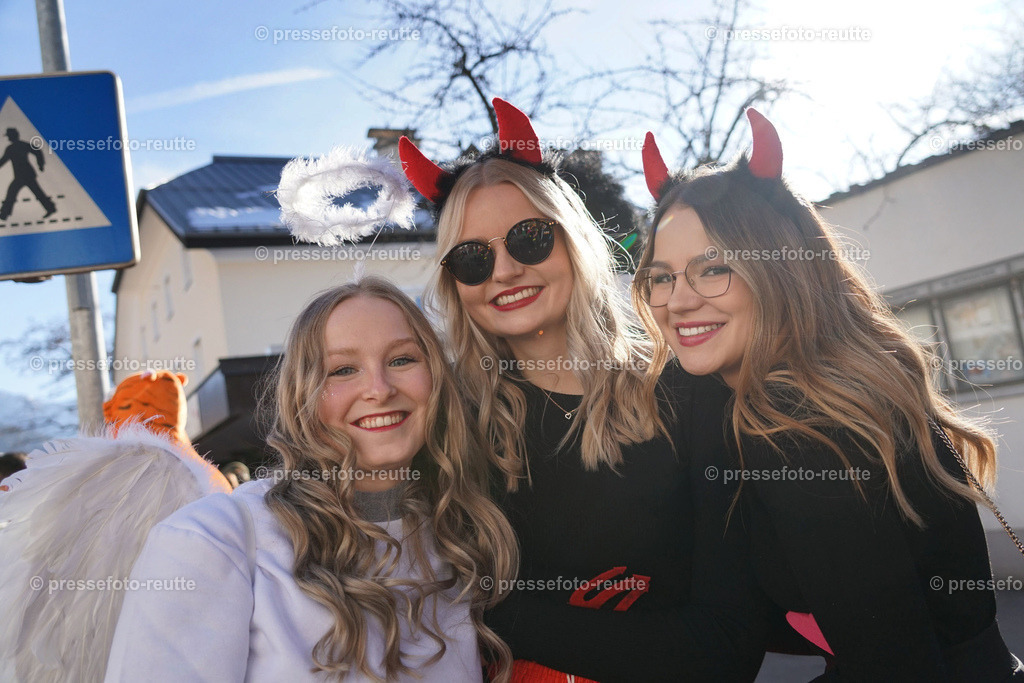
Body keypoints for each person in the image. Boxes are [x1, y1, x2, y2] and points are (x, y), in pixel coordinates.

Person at [633, 108, 1024, 680]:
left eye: (712, 268)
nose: (678, 301)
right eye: (661, 276)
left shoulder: (802, 425)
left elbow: (893, 664)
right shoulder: (793, 392)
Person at [399, 99, 767, 682]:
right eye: (472, 258)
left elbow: (727, 642)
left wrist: (503, 615)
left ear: (573, 239)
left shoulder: (685, 392)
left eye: (528, 239)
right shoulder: (447, 426)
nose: (503, 272)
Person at [105, 277, 518, 682]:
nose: (378, 389)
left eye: (401, 360)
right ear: (302, 394)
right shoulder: (214, 540)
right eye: (342, 370)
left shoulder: (462, 533)